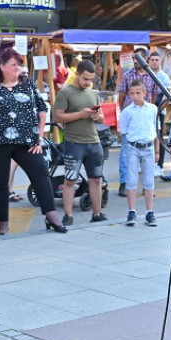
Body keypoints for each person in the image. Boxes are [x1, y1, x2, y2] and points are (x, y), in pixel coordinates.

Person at [0, 46, 66, 234]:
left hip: (26, 142)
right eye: (14, 65)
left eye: (19, 65)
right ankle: (3, 224)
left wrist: (39, 137)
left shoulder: (27, 83)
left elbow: (42, 108)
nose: (18, 68)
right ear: (2, 66)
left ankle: (51, 215)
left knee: (41, 173)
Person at [54, 59, 107, 226]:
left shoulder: (93, 93)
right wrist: (80, 115)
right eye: (85, 78)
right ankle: (68, 215)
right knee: (70, 180)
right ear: (77, 74)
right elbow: (57, 117)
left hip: (94, 142)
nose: (88, 82)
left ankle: (97, 214)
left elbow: (102, 117)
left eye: (91, 79)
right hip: (74, 143)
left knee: (96, 179)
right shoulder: (65, 93)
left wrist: (97, 117)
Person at [117, 51, 163, 196]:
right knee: (126, 151)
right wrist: (127, 112)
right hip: (131, 117)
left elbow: (154, 96)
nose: (135, 61)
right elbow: (122, 97)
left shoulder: (152, 76)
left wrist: (148, 109)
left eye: (138, 58)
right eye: (133, 58)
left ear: (146, 59)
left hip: (146, 117)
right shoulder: (127, 75)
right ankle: (124, 182)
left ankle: (147, 185)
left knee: (147, 153)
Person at [119, 79, 158, 227]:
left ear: (145, 93)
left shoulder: (152, 109)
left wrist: (157, 150)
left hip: (148, 147)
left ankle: (149, 212)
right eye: (132, 93)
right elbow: (124, 130)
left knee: (149, 180)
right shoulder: (127, 111)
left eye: (138, 93)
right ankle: (132, 211)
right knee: (131, 179)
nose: (135, 96)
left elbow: (155, 128)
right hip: (133, 147)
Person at [148, 51, 171, 176]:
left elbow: (168, 97)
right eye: (152, 60)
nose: (154, 62)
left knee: (159, 138)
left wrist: (159, 109)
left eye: (157, 60)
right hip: (147, 112)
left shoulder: (164, 77)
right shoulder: (146, 74)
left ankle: (160, 165)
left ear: (160, 62)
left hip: (159, 111)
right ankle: (148, 163)